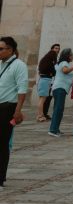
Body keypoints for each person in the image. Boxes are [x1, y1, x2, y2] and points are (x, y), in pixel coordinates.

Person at [0, 36, 29, 185]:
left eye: (1, 49)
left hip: (8, 107)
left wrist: (18, 111)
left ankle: (0, 177)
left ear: (10, 49)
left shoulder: (19, 65)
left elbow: (22, 90)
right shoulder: (0, 64)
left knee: (3, 143)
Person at [48, 48, 73, 138]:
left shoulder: (61, 63)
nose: (72, 57)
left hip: (59, 89)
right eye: (72, 55)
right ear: (68, 56)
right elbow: (65, 71)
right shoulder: (64, 63)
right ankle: (53, 130)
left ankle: (56, 129)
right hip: (60, 88)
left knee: (59, 109)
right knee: (58, 109)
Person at [36, 43, 59, 122]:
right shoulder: (49, 61)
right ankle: (40, 116)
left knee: (42, 99)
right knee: (42, 99)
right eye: (55, 48)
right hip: (46, 80)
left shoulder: (45, 60)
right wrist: (53, 72)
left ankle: (41, 114)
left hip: (43, 80)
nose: (57, 51)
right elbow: (53, 71)